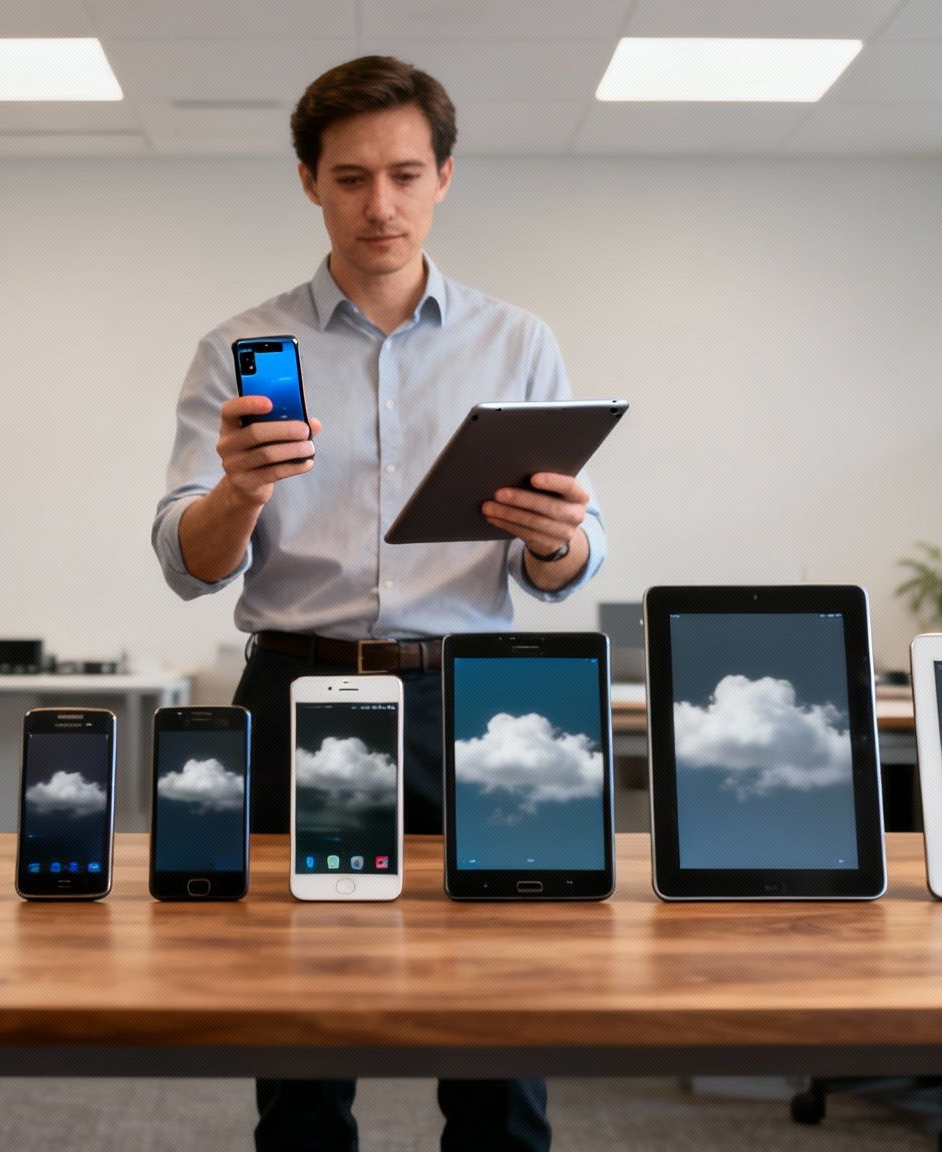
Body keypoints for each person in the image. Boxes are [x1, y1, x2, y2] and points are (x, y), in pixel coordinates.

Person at [151, 55, 605, 1152]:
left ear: (443, 176)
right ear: (308, 181)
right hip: (293, 686)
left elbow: (565, 569)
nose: (380, 205)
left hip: (475, 700)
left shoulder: (516, 342)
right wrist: (240, 489)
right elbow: (184, 560)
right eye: (350, 177)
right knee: (300, 1027)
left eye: (404, 173)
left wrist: (559, 541)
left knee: (497, 1022)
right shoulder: (239, 350)